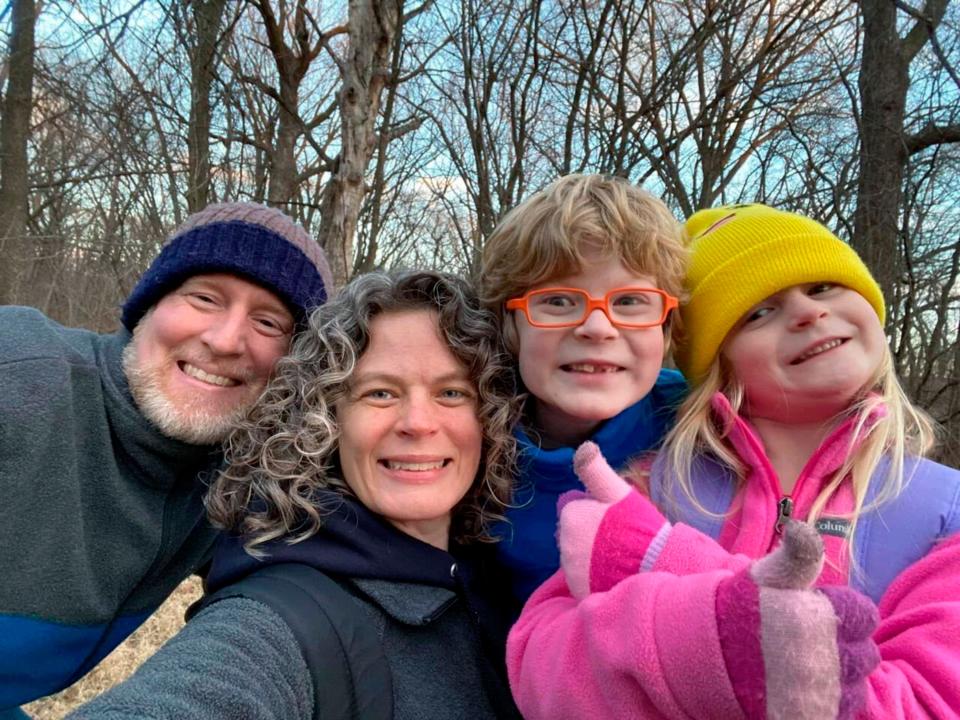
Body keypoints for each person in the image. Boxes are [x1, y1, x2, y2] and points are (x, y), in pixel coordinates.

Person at [508, 204, 960, 717]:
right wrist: (709, 639)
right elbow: (543, 661)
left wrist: (779, 662)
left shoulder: (945, 511)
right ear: (718, 364)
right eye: (758, 312)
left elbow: (936, 695)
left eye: (823, 287)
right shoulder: (650, 490)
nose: (809, 313)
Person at [67, 270, 524, 720]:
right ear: (326, 420)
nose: (418, 422)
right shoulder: (281, 624)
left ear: (490, 416)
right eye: (380, 392)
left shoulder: (511, 576)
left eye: (451, 392)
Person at [0, 202, 333, 714]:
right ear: (148, 305)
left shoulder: (238, 477)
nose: (225, 340)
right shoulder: (19, 370)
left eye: (268, 322)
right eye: (204, 298)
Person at [478, 173, 688, 605]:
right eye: (557, 301)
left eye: (630, 301)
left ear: (666, 328)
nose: (597, 327)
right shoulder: (462, 445)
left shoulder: (704, 428)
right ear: (510, 325)